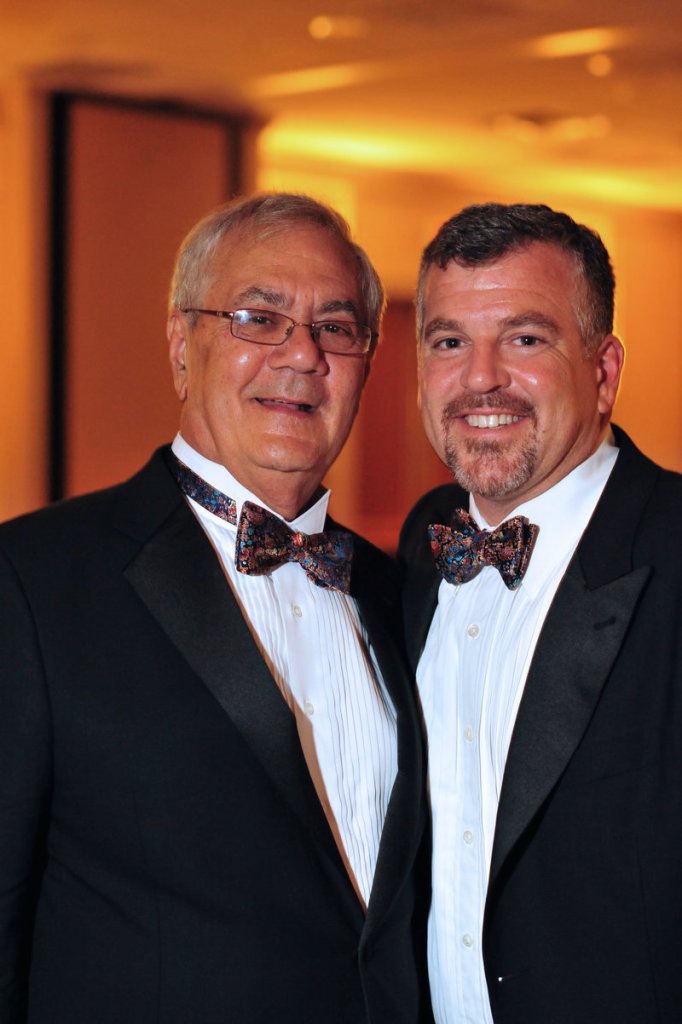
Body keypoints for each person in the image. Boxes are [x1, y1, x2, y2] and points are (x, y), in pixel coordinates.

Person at [0, 193, 428, 1024]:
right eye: (257, 317)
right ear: (180, 347)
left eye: (336, 328)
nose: (302, 354)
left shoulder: (401, 594)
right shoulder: (32, 583)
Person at [398, 202, 682, 1024]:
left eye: (524, 339)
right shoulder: (421, 548)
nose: (481, 377)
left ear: (603, 369)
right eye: (450, 341)